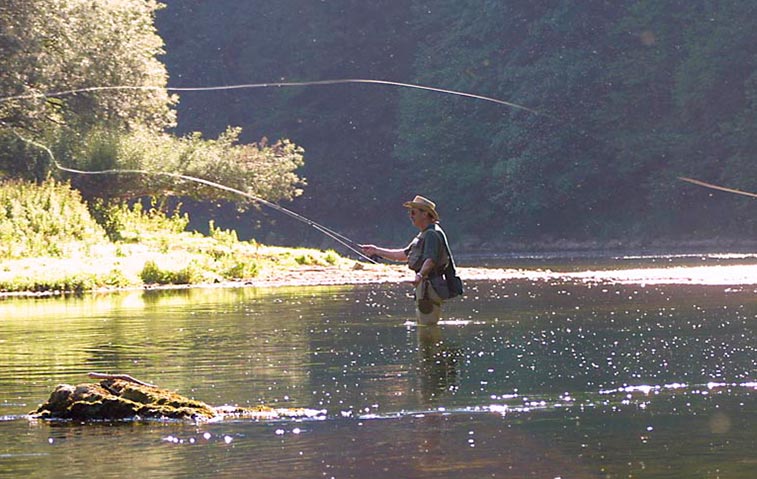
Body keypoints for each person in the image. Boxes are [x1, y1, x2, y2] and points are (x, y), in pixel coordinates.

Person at [361, 195, 454, 325]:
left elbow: (431, 260)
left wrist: (420, 275)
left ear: (425, 214)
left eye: (413, 212)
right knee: (425, 324)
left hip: (430, 286)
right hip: (425, 285)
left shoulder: (432, 234)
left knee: (427, 325)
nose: (410, 215)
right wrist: (376, 250)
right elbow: (404, 254)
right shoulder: (425, 234)